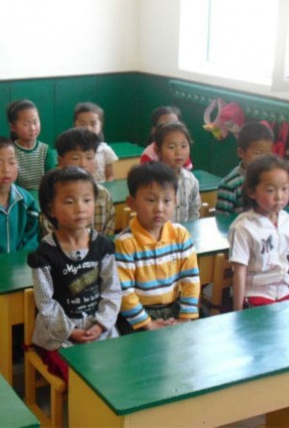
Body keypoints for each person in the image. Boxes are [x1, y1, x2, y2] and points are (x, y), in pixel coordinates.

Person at [27, 167, 121, 382]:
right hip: (60, 334)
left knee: (117, 368)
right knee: (81, 377)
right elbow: (45, 302)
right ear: (51, 209)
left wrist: (101, 324)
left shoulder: (102, 246)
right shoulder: (45, 254)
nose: (80, 209)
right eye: (69, 202)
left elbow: (112, 289)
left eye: (87, 200)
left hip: (99, 329)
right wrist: (70, 331)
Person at [116, 162, 200, 331]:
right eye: (151, 200)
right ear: (131, 202)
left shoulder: (180, 235)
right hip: (138, 315)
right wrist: (147, 323)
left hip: (175, 308)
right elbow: (124, 291)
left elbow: (190, 280)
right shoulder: (126, 242)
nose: (159, 208)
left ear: (175, 201)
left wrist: (185, 317)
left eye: (167, 200)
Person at [228, 155, 289, 310]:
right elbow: (240, 271)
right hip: (255, 294)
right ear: (251, 192)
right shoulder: (244, 227)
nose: (279, 197)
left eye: (284, 189)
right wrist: (238, 311)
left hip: (283, 293)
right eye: (270, 190)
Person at [40, 128, 115, 237]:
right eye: (75, 158)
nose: (83, 164)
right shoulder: (53, 195)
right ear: (60, 161)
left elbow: (108, 236)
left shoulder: (104, 195)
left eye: (89, 157)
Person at [216, 122, 274, 216]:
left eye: (268, 154)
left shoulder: (272, 178)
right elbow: (222, 220)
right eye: (258, 153)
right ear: (241, 152)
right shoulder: (230, 185)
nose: (264, 159)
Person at [154, 122, 201, 222]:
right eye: (171, 147)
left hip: (184, 231)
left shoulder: (191, 180)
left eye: (183, 146)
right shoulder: (152, 180)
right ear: (158, 151)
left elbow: (194, 211)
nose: (178, 152)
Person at [6, 99, 55, 190]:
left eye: (35, 122)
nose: (32, 128)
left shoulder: (45, 150)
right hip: (20, 195)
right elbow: (12, 186)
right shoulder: (10, 152)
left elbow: (51, 180)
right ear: (13, 127)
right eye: (26, 124)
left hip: (43, 194)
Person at [73, 102, 118, 182]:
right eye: (82, 124)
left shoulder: (105, 150)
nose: (88, 128)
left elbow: (110, 176)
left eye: (93, 124)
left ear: (100, 126)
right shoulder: (71, 149)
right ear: (75, 124)